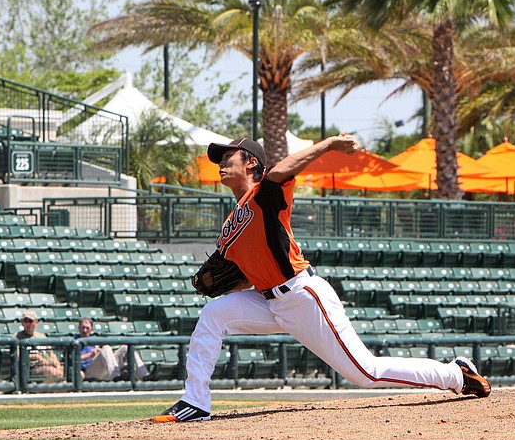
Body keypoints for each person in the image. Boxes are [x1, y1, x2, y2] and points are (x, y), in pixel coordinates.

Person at [152, 136, 491, 423]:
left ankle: (456, 374)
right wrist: (225, 283)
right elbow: (242, 277)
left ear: (252, 163)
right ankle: (196, 402)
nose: (221, 164)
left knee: (365, 373)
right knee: (214, 314)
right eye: (220, 160)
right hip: (268, 300)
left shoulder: (265, 195)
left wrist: (328, 144)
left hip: (303, 295)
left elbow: (283, 170)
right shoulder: (229, 225)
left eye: (229, 157)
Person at [76, 317, 150, 381]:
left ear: (91, 329)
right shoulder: (75, 342)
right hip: (87, 372)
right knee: (106, 348)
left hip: (104, 370)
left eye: (87, 328)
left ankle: (145, 376)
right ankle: (116, 377)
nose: (85, 330)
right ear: (79, 328)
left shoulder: (94, 341)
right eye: (83, 327)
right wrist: (90, 355)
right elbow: (72, 359)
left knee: (126, 347)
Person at [15, 309, 64, 379]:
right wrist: (38, 357)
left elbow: (51, 354)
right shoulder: (17, 337)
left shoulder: (42, 336)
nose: (28, 324)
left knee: (75, 373)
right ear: (22, 323)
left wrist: (58, 366)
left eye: (30, 321)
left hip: (49, 365)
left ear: (36, 322)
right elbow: (18, 356)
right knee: (53, 372)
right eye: (26, 321)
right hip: (33, 368)